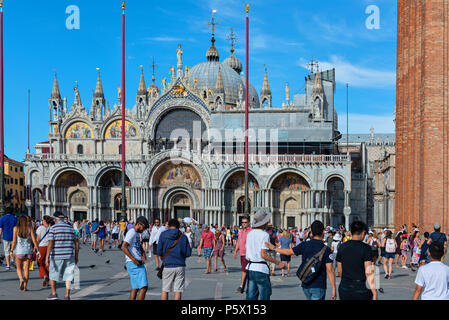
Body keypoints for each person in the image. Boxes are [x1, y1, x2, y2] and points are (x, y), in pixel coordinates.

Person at [267, 220, 335, 300]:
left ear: (311, 233)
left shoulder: (304, 245)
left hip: (306, 284)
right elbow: (330, 270)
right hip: (318, 285)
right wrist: (334, 288)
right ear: (323, 232)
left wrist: (274, 248)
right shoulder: (326, 249)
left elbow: (288, 252)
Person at [245, 210, 285, 300]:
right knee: (265, 296)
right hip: (261, 270)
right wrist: (278, 262)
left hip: (250, 268)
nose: (267, 222)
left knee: (251, 296)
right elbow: (263, 255)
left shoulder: (249, 234)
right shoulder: (264, 235)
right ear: (263, 223)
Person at [336, 221, 377, 300]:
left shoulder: (342, 246)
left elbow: (339, 271)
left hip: (345, 287)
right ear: (363, 232)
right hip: (360, 287)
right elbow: (369, 272)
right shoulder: (366, 248)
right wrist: (374, 291)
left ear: (351, 232)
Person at [46, 212, 79, 300]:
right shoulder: (71, 228)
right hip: (69, 255)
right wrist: (76, 256)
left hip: (56, 256)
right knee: (68, 276)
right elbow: (76, 243)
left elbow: (50, 243)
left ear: (55, 219)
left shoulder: (53, 228)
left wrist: (47, 256)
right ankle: (67, 295)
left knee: (53, 275)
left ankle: (54, 293)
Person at [157, 218, 192, 300]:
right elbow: (188, 253)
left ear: (168, 226)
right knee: (178, 290)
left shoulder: (163, 235)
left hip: (168, 265)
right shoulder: (183, 237)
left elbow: (159, 251)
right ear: (178, 226)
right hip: (180, 265)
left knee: (165, 290)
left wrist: (164, 257)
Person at [121, 216, 149, 300]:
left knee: (135, 288)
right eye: (143, 228)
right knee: (143, 287)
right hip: (134, 263)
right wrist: (133, 259)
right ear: (139, 224)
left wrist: (143, 253)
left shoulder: (136, 233)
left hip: (134, 262)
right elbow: (123, 246)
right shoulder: (132, 232)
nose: (143, 230)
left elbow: (138, 245)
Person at [11, 216, 40, 291]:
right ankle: (25, 287)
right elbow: (34, 240)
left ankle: (21, 279)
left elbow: (14, 241)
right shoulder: (29, 228)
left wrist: (11, 250)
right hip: (28, 251)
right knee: (26, 269)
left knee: (19, 268)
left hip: (19, 251)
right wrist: (38, 250)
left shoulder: (15, 228)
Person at [233, 216, 252, 293]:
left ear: (249, 223)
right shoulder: (240, 231)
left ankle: (241, 286)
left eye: (245, 222)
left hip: (248, 253)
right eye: (243, 222)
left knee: (244, 270)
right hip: (242, 253)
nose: (244, 224)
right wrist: (235, 251)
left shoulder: (251, 231)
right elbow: (238, 242)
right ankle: (248, 285)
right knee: (245, 270)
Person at [36, 215, 53, 287]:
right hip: (49, 247)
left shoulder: (40, 228)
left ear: (45, 221)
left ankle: (45, 276)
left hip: (41, 247)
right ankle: (48, 279)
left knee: (39, 262)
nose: (42, 221)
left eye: (43, 220)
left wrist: (36, 248)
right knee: (47, 263)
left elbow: (37, 239)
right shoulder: (51, 228)